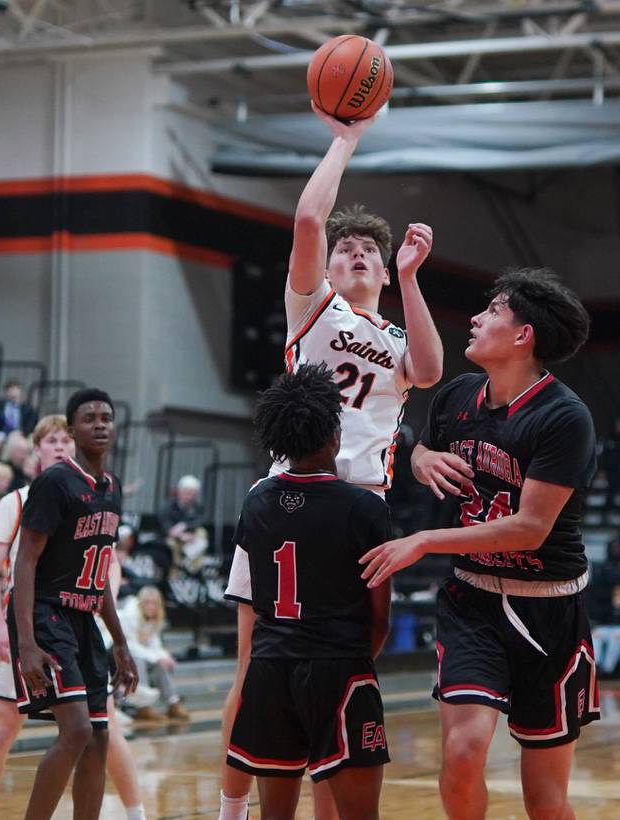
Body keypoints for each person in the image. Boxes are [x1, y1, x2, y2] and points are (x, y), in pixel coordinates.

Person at [220, 103, 443, 820]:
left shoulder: (395, 335)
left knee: (342, 683)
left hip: (354, 512)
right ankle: (232, 809)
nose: (352, 254)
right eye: (345, 249)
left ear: (382, 266)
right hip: (286, 499)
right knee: (253, 664)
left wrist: (410, 277)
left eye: (366, 251)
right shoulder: (313, 310)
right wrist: (345, 139)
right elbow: (310, 223)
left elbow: (431, 371)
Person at [360, 269, 599, 820]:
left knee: (546, 800)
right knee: (464, 752)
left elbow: (530, 528)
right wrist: (420, 461)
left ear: (524, 335)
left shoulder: (565, 417)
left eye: (492, 310)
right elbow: (417, 448)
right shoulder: (455, 397)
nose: (475, 318)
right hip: (473, 605)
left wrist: (424, 540)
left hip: (549, 610)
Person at [226, 363, 392, 820]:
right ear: (335, 437)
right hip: (338, 668)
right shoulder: (364, 507)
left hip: (270, 671)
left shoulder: (256, 501)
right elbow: (380, 618)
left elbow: (256, 601)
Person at [0, 414, 147, 820]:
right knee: (4, 726)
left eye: (67, 439)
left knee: (103, 728)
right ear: (37, 449)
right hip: (32, 620)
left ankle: (137, 813)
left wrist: (102, 603)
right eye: (52, 440)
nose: (61, 446)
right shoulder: (17, 500)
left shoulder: (97, 494)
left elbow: (106, 564)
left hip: (76, 619)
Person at [7, 389, 138, 820]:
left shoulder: (112, 488)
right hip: (46, 612)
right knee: (77, 729)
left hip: (84, 619)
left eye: (106, 416)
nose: (100, 424)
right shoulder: (54, 483)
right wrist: (26, 643)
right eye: (89, 418)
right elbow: (24, 562)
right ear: (73, 429)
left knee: (99, 737)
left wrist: (119, 641)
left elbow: (97, 576)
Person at [120, 585, 190, 721]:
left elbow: (155, 646)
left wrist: (166, 658)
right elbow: (130, 646)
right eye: (147, 603)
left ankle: (173, 703)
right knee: (137, 660)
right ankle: (143, 707)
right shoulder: (129, 615)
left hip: (137, 655)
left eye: (154, 603)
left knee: (161, 665)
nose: (150, 606)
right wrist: (156, 658)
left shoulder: (154, 618)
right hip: (116, 656)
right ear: (140, 603)